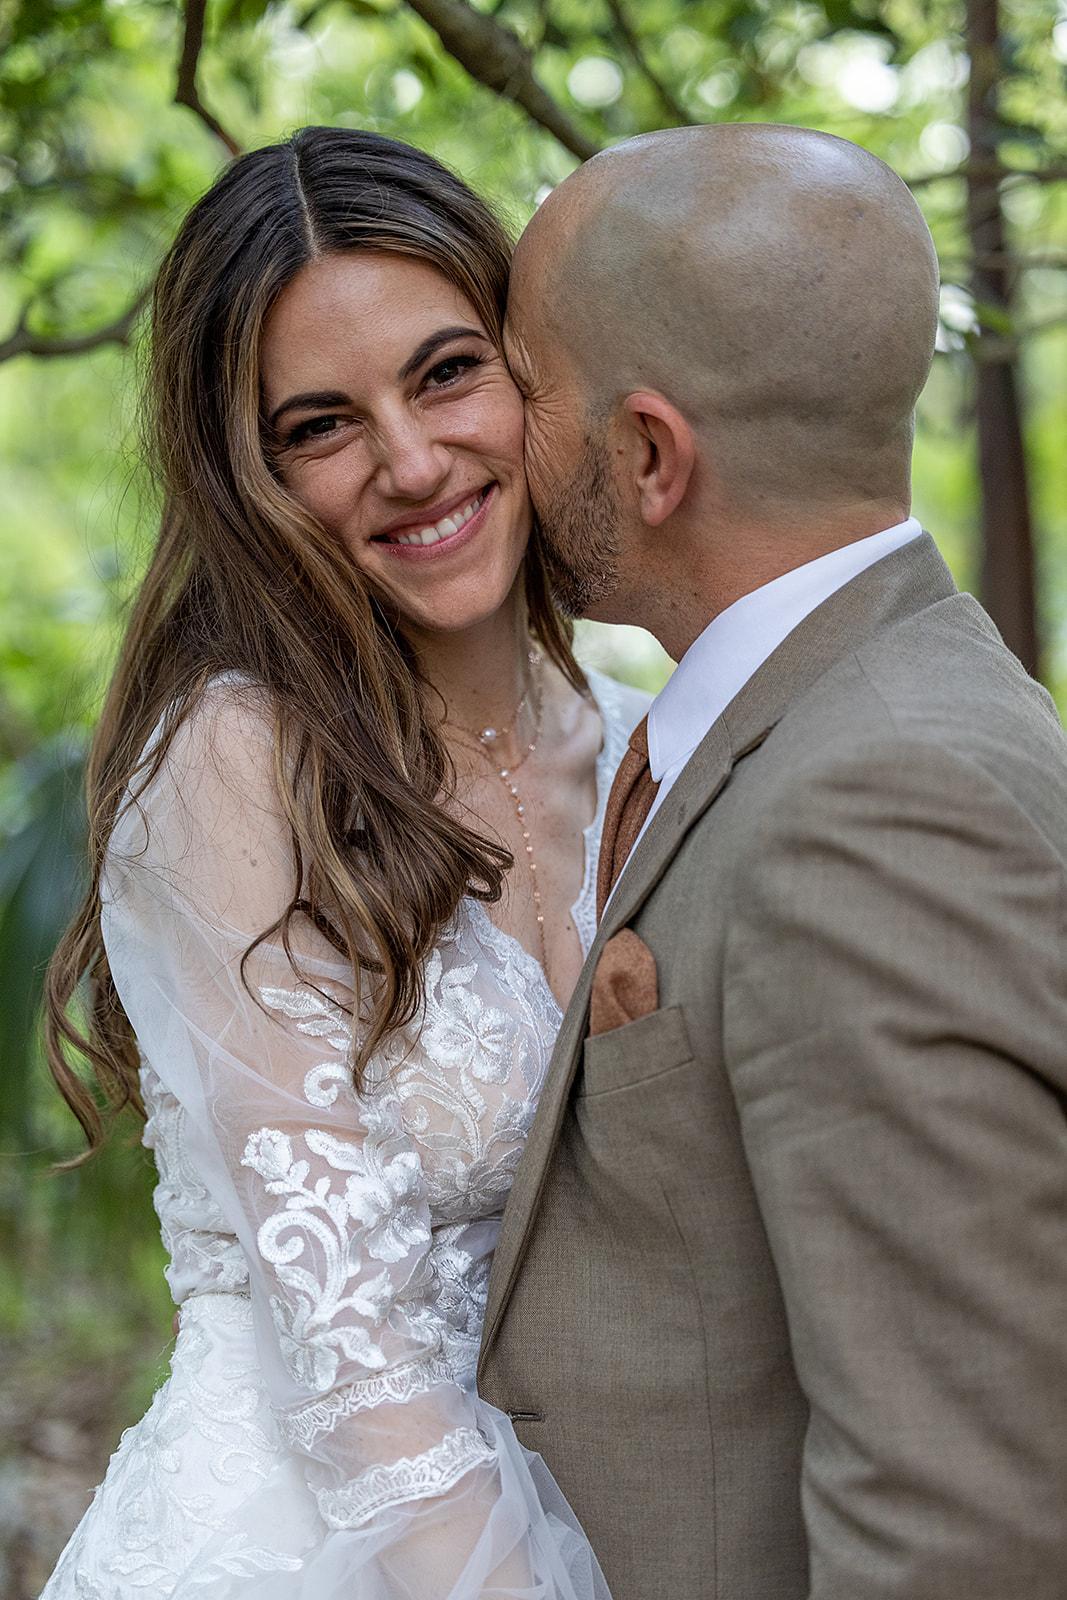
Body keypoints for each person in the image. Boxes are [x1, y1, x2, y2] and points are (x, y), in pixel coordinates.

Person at [42, 125, 647, 1598]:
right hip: (313, 1538)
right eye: (321, 426)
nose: (411, 462)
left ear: (531, 370)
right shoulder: (231, 766)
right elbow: (356, 1357)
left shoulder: (651, 741)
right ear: (246, 474)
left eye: (446, 373)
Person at [478, 123, 1067, 1599]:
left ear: (648, 456)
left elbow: (958, 1514)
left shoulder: (883, 804)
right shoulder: (816, 720)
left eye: (522, 384)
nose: (491, 438)